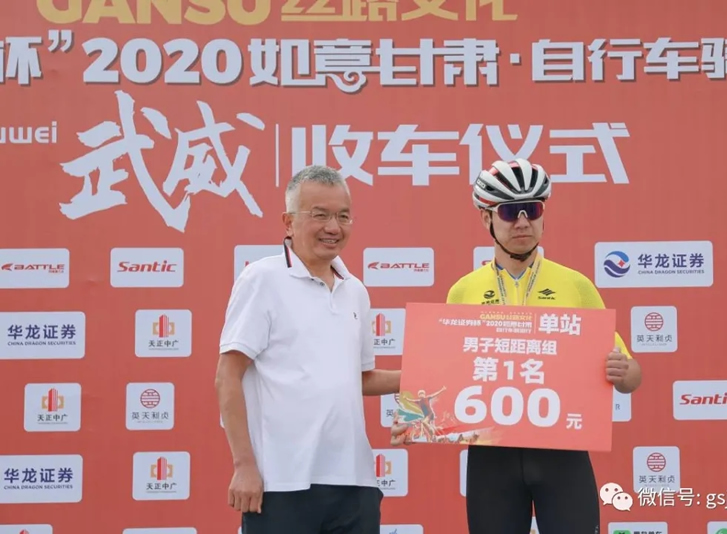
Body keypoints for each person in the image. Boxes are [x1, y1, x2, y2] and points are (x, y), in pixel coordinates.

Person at [390, 158, 642, 534]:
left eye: (532, 210)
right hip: (492, 458)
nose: (522, 221)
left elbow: (631, 376)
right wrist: (416, 418)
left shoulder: (576, 285)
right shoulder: (464, 290)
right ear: (486, 219)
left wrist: (623, 372)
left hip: (563, 454)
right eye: (509, 212)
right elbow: (446, 376)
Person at [216, 165, 401, 534]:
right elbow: (228, 376)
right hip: (282, 482)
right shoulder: (263, 279)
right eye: (320, 215)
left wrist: (428, 374)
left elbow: (360, 378)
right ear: (289, 222)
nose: (333, 227)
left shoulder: (355, 290)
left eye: (343, 216)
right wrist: (244, 465)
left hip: (355, 483)